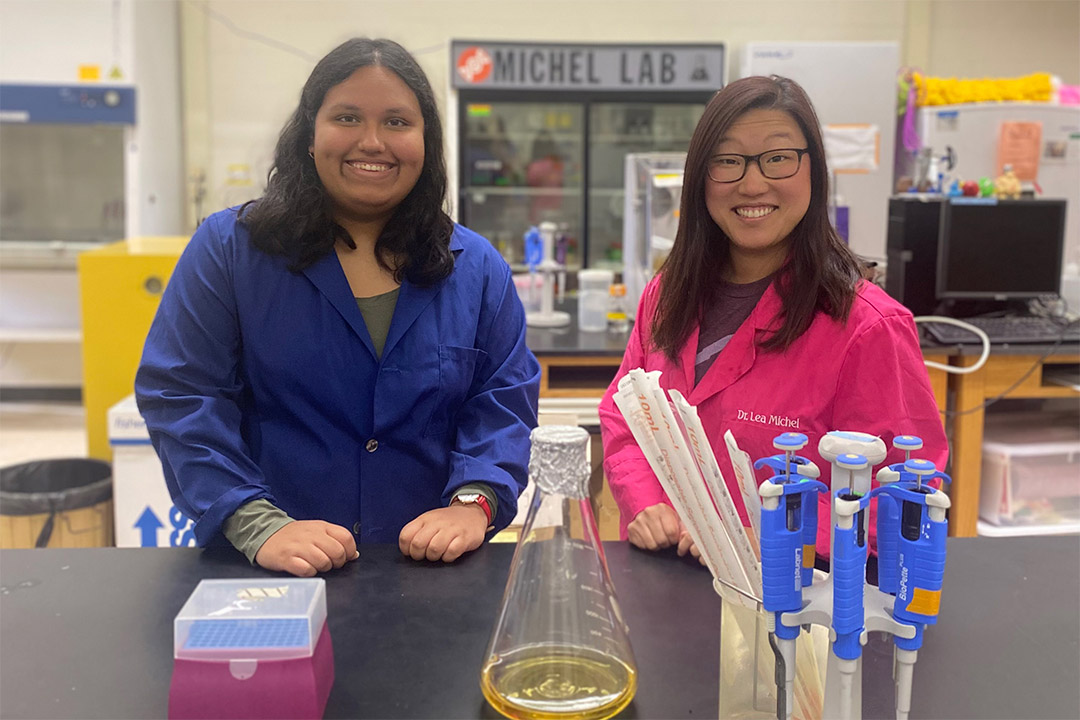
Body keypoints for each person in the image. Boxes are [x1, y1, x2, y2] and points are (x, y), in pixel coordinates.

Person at [136, 38, 540, 577]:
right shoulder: (230, 250)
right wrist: (256, 523)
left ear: (426, 142)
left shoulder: (476, 267)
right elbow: (182, 394)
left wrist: (474, 504)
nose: (372, 142)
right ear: (310, 134)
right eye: (347, 117)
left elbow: (502, 401)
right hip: (266, 569)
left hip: (431, 570)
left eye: (397, 122)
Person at [599, 76, 947, 564]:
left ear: (813, 170)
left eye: (778, 158)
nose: (752, 183)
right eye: (727, 160)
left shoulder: (867, 327)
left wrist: (783, 530)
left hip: (797, 608)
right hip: (663, 582)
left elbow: (904, 499)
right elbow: (625, 417)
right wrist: (647, 500)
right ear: (701, 177)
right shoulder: (666, 295)